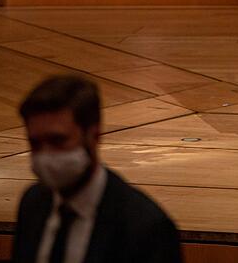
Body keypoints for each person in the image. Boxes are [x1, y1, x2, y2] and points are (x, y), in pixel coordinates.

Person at [12, 75, 182, 263]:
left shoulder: (146, 226)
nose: (46, 155)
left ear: (94, 136)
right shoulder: (32, 204)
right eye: (35, 143)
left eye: (58, 141)